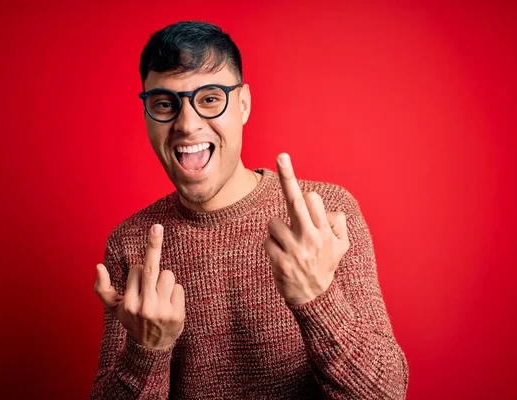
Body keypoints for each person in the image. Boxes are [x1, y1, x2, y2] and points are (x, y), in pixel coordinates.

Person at [91, 21, 409, 399]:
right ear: (147, 115)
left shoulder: (324, 217)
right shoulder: (131, 244)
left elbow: (385, 393)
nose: (188, 124)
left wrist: (316, 297)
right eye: (165, 103)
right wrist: (147, 351)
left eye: (210, 98)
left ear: (243, 105)